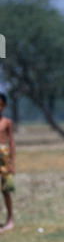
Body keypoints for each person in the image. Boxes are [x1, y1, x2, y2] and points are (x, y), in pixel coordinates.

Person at [0, 93, 15, 234]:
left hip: (4, 156)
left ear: (4, 106)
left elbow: (12, 142)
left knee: (6, 190)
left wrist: (12, 164)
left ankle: (10, 219)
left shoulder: (7, 122)